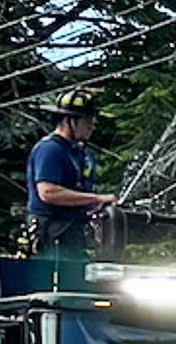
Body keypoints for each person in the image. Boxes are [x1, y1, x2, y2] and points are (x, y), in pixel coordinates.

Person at [24, 90, 119, 269]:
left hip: (73, 234)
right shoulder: (50, 150)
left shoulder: (80, 153)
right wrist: (97, 199)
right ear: (69, 121)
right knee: (66, 289)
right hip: (54, 236)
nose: (93, 124)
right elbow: (48, 192)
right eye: (87, 120)